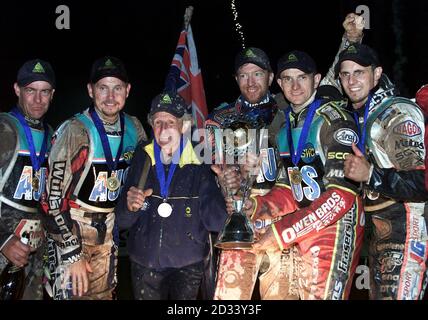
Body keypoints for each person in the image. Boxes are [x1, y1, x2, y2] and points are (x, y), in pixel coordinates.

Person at [244, 46, 365, 300]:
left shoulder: (333, 118)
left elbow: (341, 196)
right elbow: (289, 188)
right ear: (279, 82)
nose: (295, 86)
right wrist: (256, 207)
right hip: (306, 223)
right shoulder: (286, 123)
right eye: (288, 78)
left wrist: (282, 231)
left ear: (317, 80)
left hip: (336, 223)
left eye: (302, 77)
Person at [40, 56, 147, 300]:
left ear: (127, 90)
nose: (110, 96)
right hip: (73, 226)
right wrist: (71, 252)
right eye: (102, 88)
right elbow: (51, 199)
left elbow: (146, 176)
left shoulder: (134, 127)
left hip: (108, 228)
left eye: (117, 88)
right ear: (90, 90)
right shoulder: (75, 130)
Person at [336, 44, 428, 299]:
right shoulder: (361, 115)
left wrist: (371, 175)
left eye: (359, 72)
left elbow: (421, 184)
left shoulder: (397, 114)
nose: (352, 81)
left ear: (376, 75)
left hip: (407, 231)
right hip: (378, 238)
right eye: (345, 74)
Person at [116, 91, 227, 300]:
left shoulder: (200, 160)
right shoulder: (143, 156)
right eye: (157, 122)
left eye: (170, 122)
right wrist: (130, 207)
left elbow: (216, 223)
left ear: (184, 126)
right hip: (144, 263)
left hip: (188, 265)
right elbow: (122, 221)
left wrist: (224, 190)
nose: (163, 129)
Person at [205, 47, 296, 300]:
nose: (251, 82)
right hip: (239, 222)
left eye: (257, 74)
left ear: (270, 77)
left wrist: (349, 40)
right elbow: (211, 169)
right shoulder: (219, 119)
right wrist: (223, 180)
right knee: (229, 299)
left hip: (282, 222)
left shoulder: (291, 111)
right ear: (236, 79)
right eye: (244, 75)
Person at [0, 59, 56, 299]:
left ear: (52, 94)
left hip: (34, 256)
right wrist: (2, 241)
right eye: (30, 90)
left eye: (44, 92)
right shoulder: (4, 128)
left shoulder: (54, 136)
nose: (38, 99)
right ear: (17, 90)